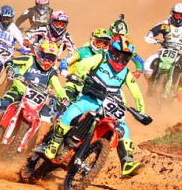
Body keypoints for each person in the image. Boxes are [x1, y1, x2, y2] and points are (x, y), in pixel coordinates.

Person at [43, 35, 146, 178]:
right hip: (90, 99)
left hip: (109, 105)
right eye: (118, 55)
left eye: (125, 57)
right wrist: (84, 75)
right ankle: (54, 144)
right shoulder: (100, 59)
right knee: (72, 112)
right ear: (111, 51)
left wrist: (141, 111)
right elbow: (81, 65)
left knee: (123, 128)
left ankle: (127, 163)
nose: (120, 60)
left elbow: (137, 93)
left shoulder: (126, 73)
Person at [0, 40, 68, 144]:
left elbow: (58, 86)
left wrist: (64, 97)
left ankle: (36, 146)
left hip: (37, 99)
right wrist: (10, 69)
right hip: (19, 91)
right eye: (46, 56)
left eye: (51, 58)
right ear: (40, 53)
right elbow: (10, 62)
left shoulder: (51, 72)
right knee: (2, 103)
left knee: (47, 117)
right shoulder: (30, 59)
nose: (47, 60)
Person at [142, 3, 182, 102]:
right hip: (164, 50)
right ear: (172, 14)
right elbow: (153, 31)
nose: (179, 18)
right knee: (147, 67)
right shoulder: (165, 23)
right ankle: (150, 86)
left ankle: (180, 90)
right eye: (177, 15)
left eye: (181, 15)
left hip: (180, 53)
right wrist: (150, 37)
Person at [61, 28, 112, 101]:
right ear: (92, 41)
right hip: (74, 84)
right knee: (64, 100)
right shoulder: (83, 50)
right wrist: (65, 72)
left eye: (105, 44)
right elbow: (65, 61)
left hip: (93, 91)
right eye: (98, 43)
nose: (101, 47)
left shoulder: (108, 58)